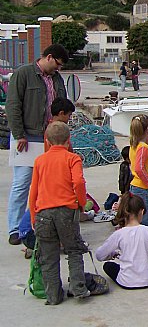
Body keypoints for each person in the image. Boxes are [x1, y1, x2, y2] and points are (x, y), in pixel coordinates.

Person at [6, 43, 68, 245]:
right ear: (49, 57)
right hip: (27, 137)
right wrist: (19, 134)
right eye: (57, 64)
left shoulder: (57, 79)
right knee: (22, 183)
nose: (58, 69)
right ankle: (15, 229)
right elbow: (13, 105)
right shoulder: (23, 74)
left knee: (45, 184)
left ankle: (36, 224)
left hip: (49, 138)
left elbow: (62, 105)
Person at [28, 122, 90, 304]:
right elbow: (78, 182)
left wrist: (33, 215)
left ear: (47, 141)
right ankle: (79, 288)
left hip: (43, 213)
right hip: (66, 211)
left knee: (48, 256)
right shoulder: (73, 158)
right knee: (74, 250)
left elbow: (34, 191)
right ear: (69, 140)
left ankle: (53, 295)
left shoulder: (40, 161)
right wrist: (80, 202)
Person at [96, 193, 148, 289]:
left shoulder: (119, 234)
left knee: (108, 266)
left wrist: (112, 254)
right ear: (142, 212)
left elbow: (99, 255)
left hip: (126, 282)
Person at [128, 114, 148, 237]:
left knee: (142, 220)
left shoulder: (134, 144)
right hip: (144, 189)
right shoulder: (143, 148)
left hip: (138, 187)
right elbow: (139, 168)